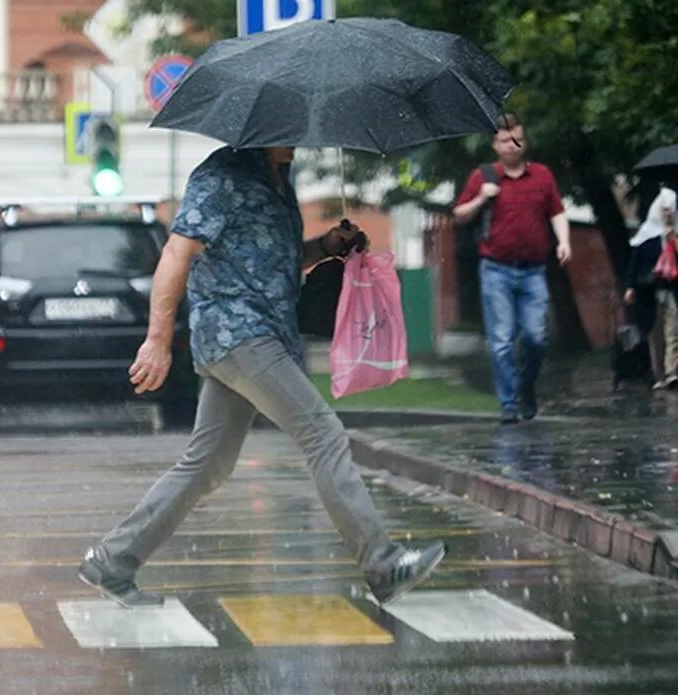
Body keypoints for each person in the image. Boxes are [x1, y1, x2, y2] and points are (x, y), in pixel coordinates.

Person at [77, 145, 446, 608]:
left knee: (207, 464)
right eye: (285, 131)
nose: (294, 139)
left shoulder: (278, 178)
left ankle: (113, 560)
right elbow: (177, 251)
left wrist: (326, 247)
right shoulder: (220, 175)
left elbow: (272, 261)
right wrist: (157, 339)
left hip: (261, 334)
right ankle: (383, 563)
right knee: (323, 435)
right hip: (239, 335)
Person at [453, 114, 572, 424]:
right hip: (496, 269)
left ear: (524, 141)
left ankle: (525, 387)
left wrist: (564, 242)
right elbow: (460, 215)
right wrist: (482, 198)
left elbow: (557, 211)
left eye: (517, 138)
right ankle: (508, 403)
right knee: (502, 339)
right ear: (495, 144)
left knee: (535, 336)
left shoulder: (542, 175)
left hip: (533, 270)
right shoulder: (484, 176)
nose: (512, 144)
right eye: (505, 140)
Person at [624, 184, 678, 389]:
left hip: (672, 289)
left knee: (673, 331)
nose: (667, 214)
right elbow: (634, 263)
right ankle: (660, 375)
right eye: (664, 210)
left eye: (670, 209)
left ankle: (673, 372)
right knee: (655, 333)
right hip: (650, 291)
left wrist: (673, 238)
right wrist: (629, 287)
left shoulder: (675, 233)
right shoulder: (646, 236)